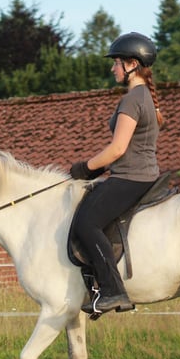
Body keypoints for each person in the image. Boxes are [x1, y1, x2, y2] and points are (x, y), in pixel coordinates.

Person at [69, 32, 164, 316]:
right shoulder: (145, 96)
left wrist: (86, 167)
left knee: (86, 223)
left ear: (132, 64)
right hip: (140, 174)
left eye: (117, 63)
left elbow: (118, 148)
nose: (113, 69)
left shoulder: (133, 99)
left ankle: (113, 291)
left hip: (131, 176)